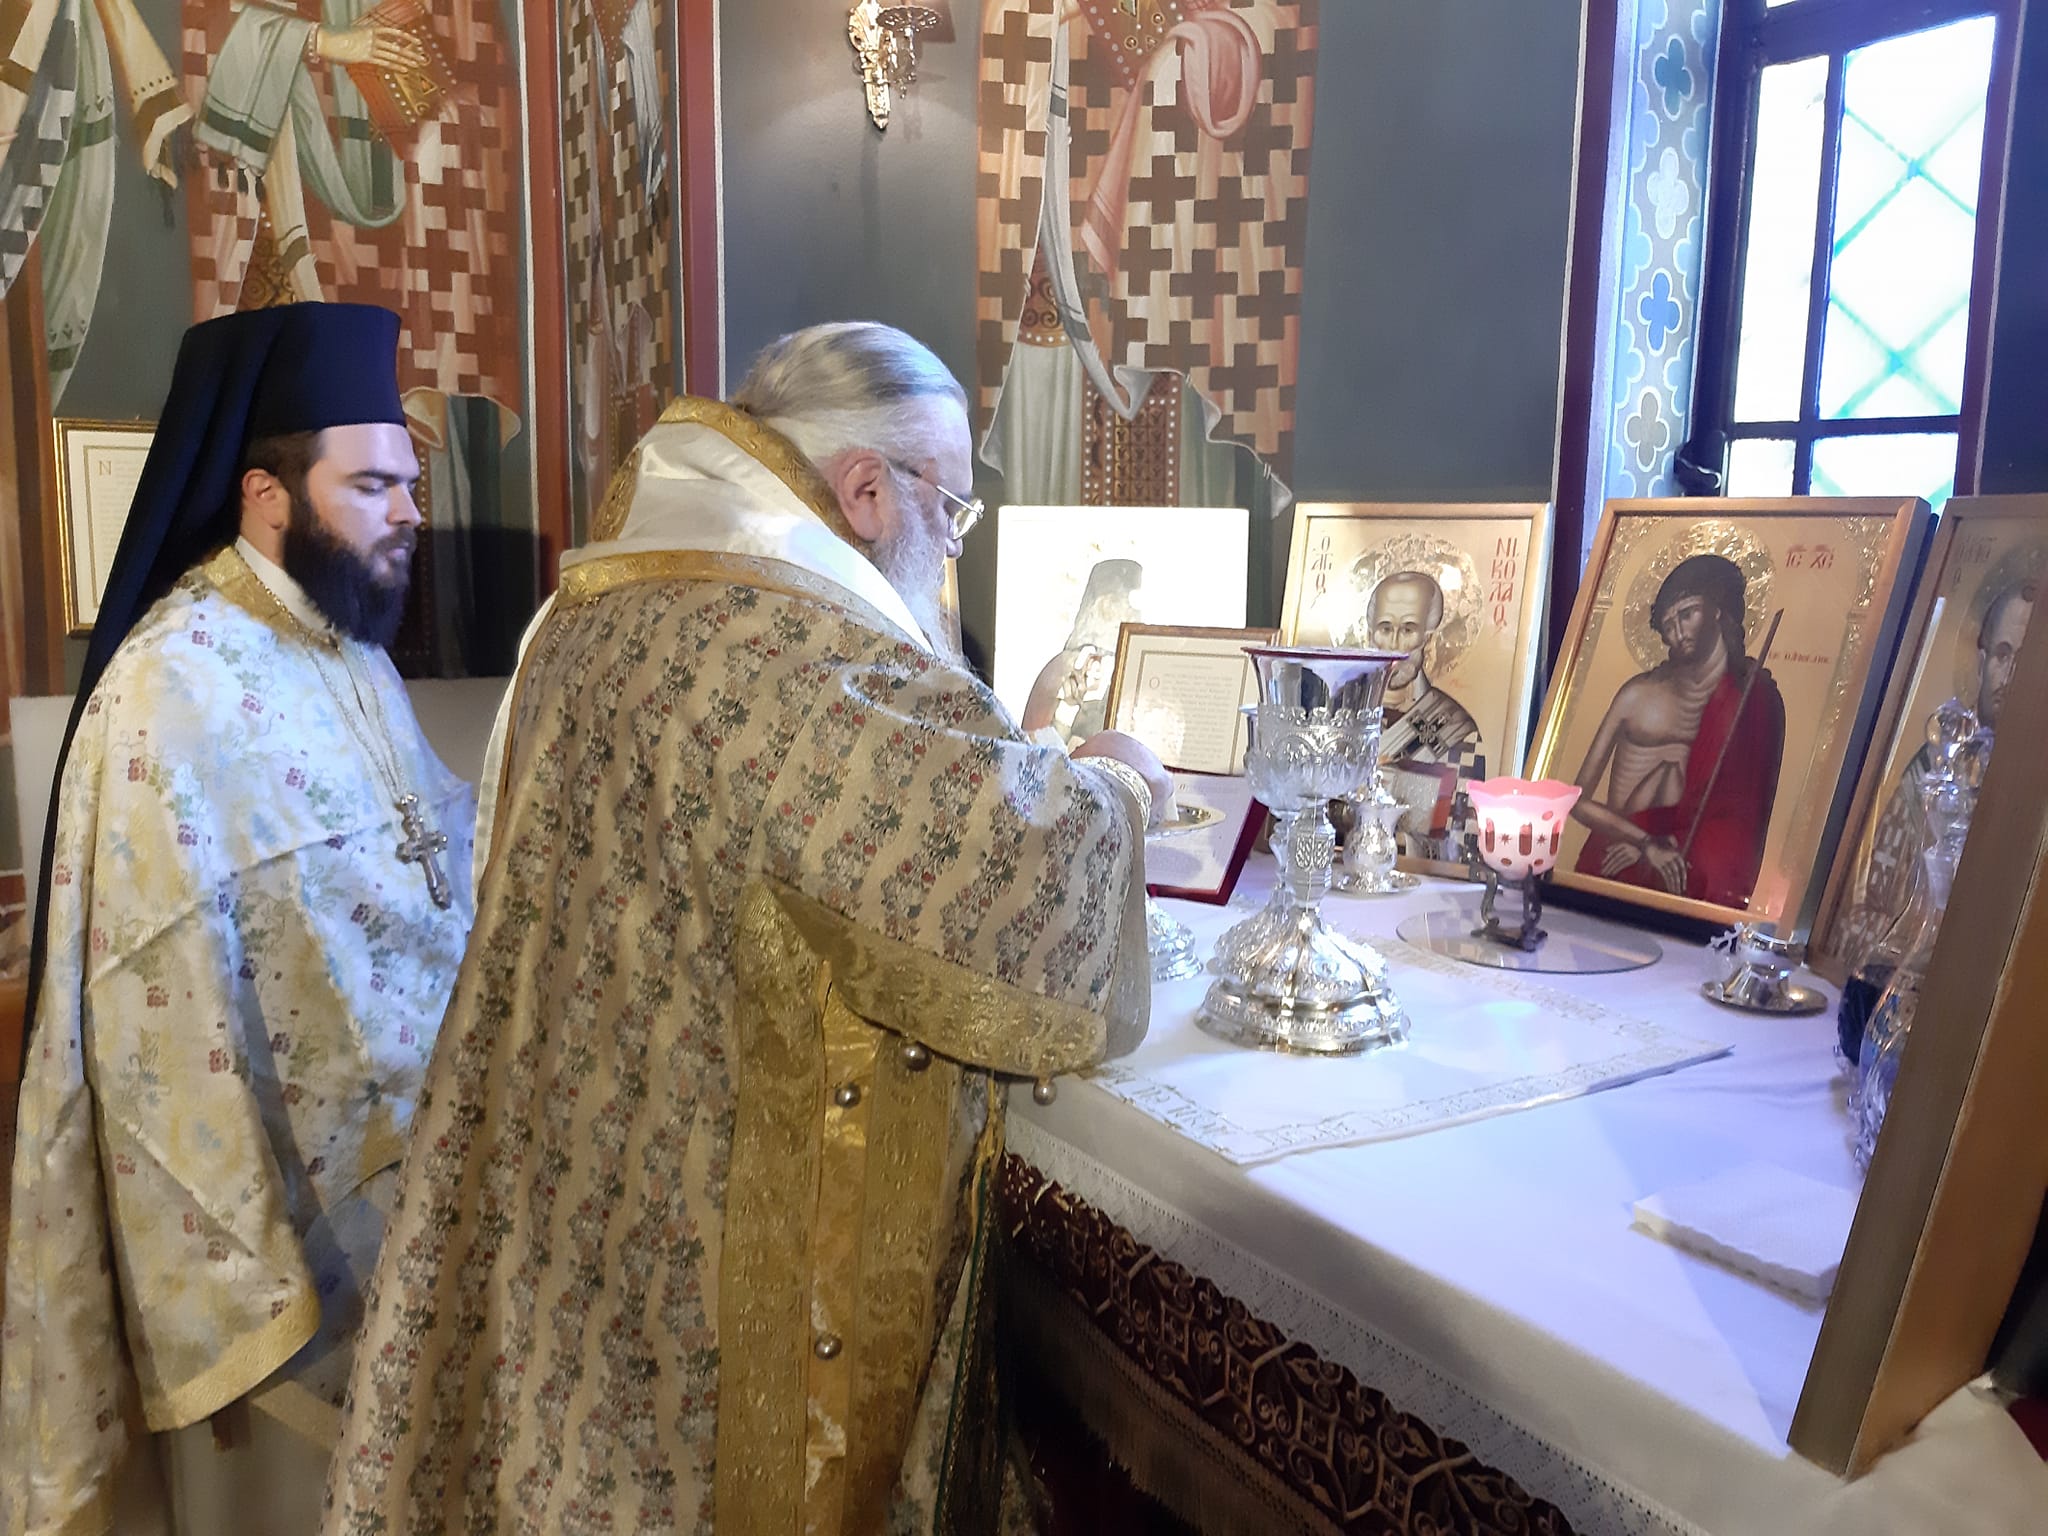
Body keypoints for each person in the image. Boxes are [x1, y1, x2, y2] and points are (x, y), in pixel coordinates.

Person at [321, 322, 1164, 1535]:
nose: (950, 547)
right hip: (697, 1241)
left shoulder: (612, 594)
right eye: (952, 509)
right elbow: (997, 864)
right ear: (866, 490)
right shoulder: (783, 646)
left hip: (576, 1161)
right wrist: (1117, 782)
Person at [1, 304, 476, 1534]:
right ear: (267, 494)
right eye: (372, 486)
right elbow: (148, 996)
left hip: (417, 1164)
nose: (408, 512)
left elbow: (425, 852)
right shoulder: (170, 684)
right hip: (280, 1216)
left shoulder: (349, 644)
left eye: (409, 483)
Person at [1835, 578, 2035, 963]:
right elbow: (1857, 913)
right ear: (1981, 663)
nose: (2010, 675)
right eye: (2002, 655)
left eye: (2026, 662)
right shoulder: (1930, 768)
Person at [1571, 553, 1784, 907]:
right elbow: (1575, 799)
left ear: (1716, 609)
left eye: (1687, 614)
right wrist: (1643, 842)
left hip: (1687, 863)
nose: (1678, 633)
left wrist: (1664, 846)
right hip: (1615, 855)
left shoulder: (1749, 699)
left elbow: (1741, 814)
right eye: (1668, 626)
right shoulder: (1639, 695)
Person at [1355, 570, 1483, 859]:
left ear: (1428, 636)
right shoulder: (1341, 714)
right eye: (1385, 628)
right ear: (1370, 633)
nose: (1395, 645)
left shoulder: (1457, 729)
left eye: (1408, 630)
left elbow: (1460, 841)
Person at [1021, 557, 1145, 744]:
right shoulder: (1064, 666)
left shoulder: (1130, 668)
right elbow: (1040, 744)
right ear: (1106, 604)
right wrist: (1068, 711)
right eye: (1128, 603)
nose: (1136, 614)